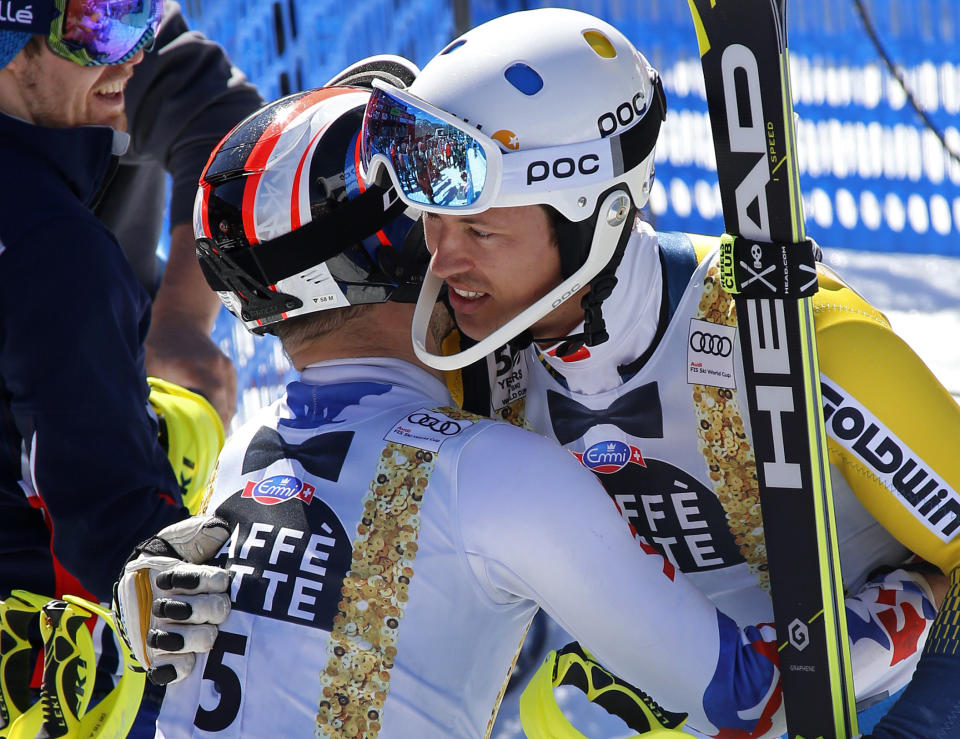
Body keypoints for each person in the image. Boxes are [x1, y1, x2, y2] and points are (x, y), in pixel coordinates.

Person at [113, 74, 864, 739]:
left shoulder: (241, 468)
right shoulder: (496, 470)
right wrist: (915, 599)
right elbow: (751, 696)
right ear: (417, 256)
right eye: (443, 214)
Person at [359, 8, 960, 737]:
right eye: (432, 221)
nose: (444, 260)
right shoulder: (474, 367)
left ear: (593, 216)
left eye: (479, 230)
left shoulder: (811, 343)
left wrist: (885, 641)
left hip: (893, 695)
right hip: (698, 701)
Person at [0, 0, 225, 730]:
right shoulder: (57, 250)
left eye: (143, 17)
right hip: (35, 678)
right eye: (98, 25)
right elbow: (116, 536)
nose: (131, 56)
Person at [97, 0, 264, 426]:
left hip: (108, 383)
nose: (126, 64)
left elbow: (233, 135)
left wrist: (181, 319)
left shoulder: (82, 24)